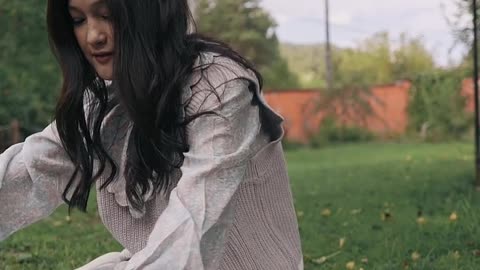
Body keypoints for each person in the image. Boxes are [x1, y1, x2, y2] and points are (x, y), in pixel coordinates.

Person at [0, 0, 303, 269]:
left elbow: (193, 228)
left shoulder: (221, 89)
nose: (94, 36)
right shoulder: (100, 104)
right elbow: (28, 169)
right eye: (79, 20)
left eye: (107, 15)